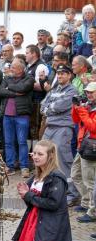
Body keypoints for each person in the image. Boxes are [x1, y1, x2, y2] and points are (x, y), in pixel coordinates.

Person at [40, 64, 78, 200]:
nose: (60, 75)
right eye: (59, 73)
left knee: (63, 160)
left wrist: (50, 108)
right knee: (44, 157)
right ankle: (50, 188)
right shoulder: (54, 89)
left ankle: (71, 193)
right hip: (49, 127)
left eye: (63, 73)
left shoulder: (72, 91)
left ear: (69, 75)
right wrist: (50, 108)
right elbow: (42, 106)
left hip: (63, 128)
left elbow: (61, 106)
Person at [0, 58, 35, 176]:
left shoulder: (29, 78)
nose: (11, 69)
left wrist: (10, 87)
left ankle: (24, 166)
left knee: (22, 142)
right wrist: (15, 92)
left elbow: (23, 88)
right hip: (7, 115)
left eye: (13, 67)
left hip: (22, 115)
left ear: (20, 69)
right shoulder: (7, 78)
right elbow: (0, 91)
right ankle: (10, 166)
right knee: (8, 142)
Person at [71, 82, 96, 226]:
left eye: (92, 92)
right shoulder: (88, 106)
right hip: (83, 146)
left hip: (91, 149)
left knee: (90, 181)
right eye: (87, 92)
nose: (89, 95)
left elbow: (92, 127)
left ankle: (92, 212)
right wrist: (76, 107)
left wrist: (82, 110)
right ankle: (86, 202)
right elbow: (75, 120)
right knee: (76, 175)